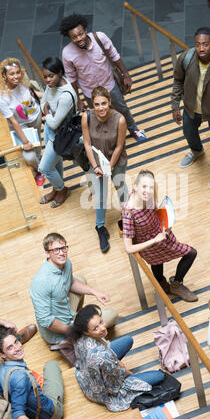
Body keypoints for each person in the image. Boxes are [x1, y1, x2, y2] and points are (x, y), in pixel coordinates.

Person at [30, 232, 118, 364]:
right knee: (112, 314)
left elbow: (71, 282)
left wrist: (95, 292)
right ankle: (69, 340)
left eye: (63, 248)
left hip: (66, 312)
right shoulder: (41, 282)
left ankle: (80, 322)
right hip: (56, 329)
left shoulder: (66, 263)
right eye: (56, 250)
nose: (61, 253)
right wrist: (74, 330)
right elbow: (45, 320)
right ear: (47, 253)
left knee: (81, 279)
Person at [60, 13, 147, 142]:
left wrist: (126, 76)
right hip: (90, 92)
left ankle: (133, 129)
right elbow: (72, 78)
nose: (79, 39)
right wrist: (78, 100)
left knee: (122, 108)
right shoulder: (67, 53)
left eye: (80, 34)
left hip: (109, 84)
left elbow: (114, 56)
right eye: (74, 37)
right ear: (69, 38)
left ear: (85, 30)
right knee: (99, 116)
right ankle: (113, 138)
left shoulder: (100, 38)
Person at [171, 27, 210, 190]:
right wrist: (175, 105)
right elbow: (178, 80)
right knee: (188, 131)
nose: (201, 48)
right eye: (198, 44)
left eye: (205, 44)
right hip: (191, 107)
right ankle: (196, 150)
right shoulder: (185, 58)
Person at [69, 304, 165, 412]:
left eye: (101, 322)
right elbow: (114, 386)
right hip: (103, 391)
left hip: (86, 376)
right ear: (86, 332)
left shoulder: (79, 336)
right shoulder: (103, 357)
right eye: (95, 328)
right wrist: (125, 371)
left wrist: (116, 361)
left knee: (128, 340)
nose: (102, 328)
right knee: (159, 376)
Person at [122, 169, 198, 302]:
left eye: (151, 187)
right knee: (179, 256)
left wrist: (166, 221)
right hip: (151, 244)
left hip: (162, 234)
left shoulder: (148, 195)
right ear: (135, 186)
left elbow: (154, 211)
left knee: (189, 254)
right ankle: (163, 284)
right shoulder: (129, 213)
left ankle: (175, 284)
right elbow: (128, 248)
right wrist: (154, 240)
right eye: (144, 186)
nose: (148, 190)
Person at [82, 86, 128, 253]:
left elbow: (119, 146)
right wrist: (95, 166)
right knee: (100, 195)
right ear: (92, 105)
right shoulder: (86, 117)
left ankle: (129, 218)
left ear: (109, 102)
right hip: (96, 162)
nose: (100, 108)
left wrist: (110, 165)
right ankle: (100, 227)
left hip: (115, 159)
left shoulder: (120, 119)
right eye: (96, 104)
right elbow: (87, 143)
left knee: (121, 188)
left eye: (103, 103)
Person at [0, 328, 64, 419]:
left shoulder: (4, 367)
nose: (17, 348)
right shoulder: (21, 377)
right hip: (48, 414)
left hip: (30, 409)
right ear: (2, 355)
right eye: (10, 347)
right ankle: (57, 411)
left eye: (16, 342)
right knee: (52, 364)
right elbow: (18, 413)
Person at [0, 58, 44, 186]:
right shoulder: (1, 97)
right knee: (29, 156)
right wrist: (25, 142)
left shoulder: (24, 82)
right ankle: (40, 170)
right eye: (11, 74)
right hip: (20, 125)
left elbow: (35, 95)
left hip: (35, 116)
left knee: (37, 145)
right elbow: (13, 121)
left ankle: (40, 164)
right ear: (4, 76)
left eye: (17, 72)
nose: (16, 76)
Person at [38, 57, 77, 208]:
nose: (47, 80)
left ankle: (62, 189)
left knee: (45, 168)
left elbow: (54, 123)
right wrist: (48, 114)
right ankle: (56, 188)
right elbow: (42, 103)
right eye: (45, 76)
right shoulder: (51, 84)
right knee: (56, 162)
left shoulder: (66, 95)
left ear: (60, 72)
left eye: (51, 76)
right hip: (49, 129)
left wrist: (47, 112)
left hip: (61, 135)